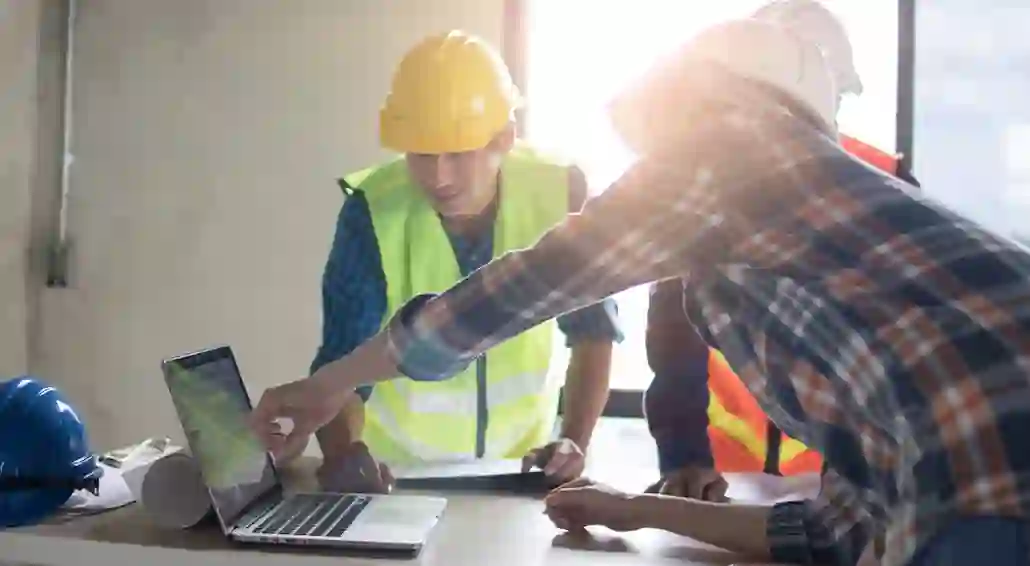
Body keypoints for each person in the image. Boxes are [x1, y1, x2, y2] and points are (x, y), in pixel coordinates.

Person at [251, 13, 1030, 566]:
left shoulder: (731, 151)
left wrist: (331, 384)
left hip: (989, 469)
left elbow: (525, 289)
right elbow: (834, 531)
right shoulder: (818, 255)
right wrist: (635, 510)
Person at [275, 31, 622, 493]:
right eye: (421, 153)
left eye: (458, 154)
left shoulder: (559, 192)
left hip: (521, 473)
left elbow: (593, 331)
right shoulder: (371, 210)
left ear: (503, 138)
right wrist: (342, 456)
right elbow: (343, 360)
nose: (438, 177)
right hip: (398, 477)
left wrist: (573, 443)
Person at [644, 0, 919, 501]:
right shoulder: (705, 182)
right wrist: (683, 453)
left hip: (850, 482)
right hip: (726, 481)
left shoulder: (889, 185)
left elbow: (906, 352)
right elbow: (674, 328)